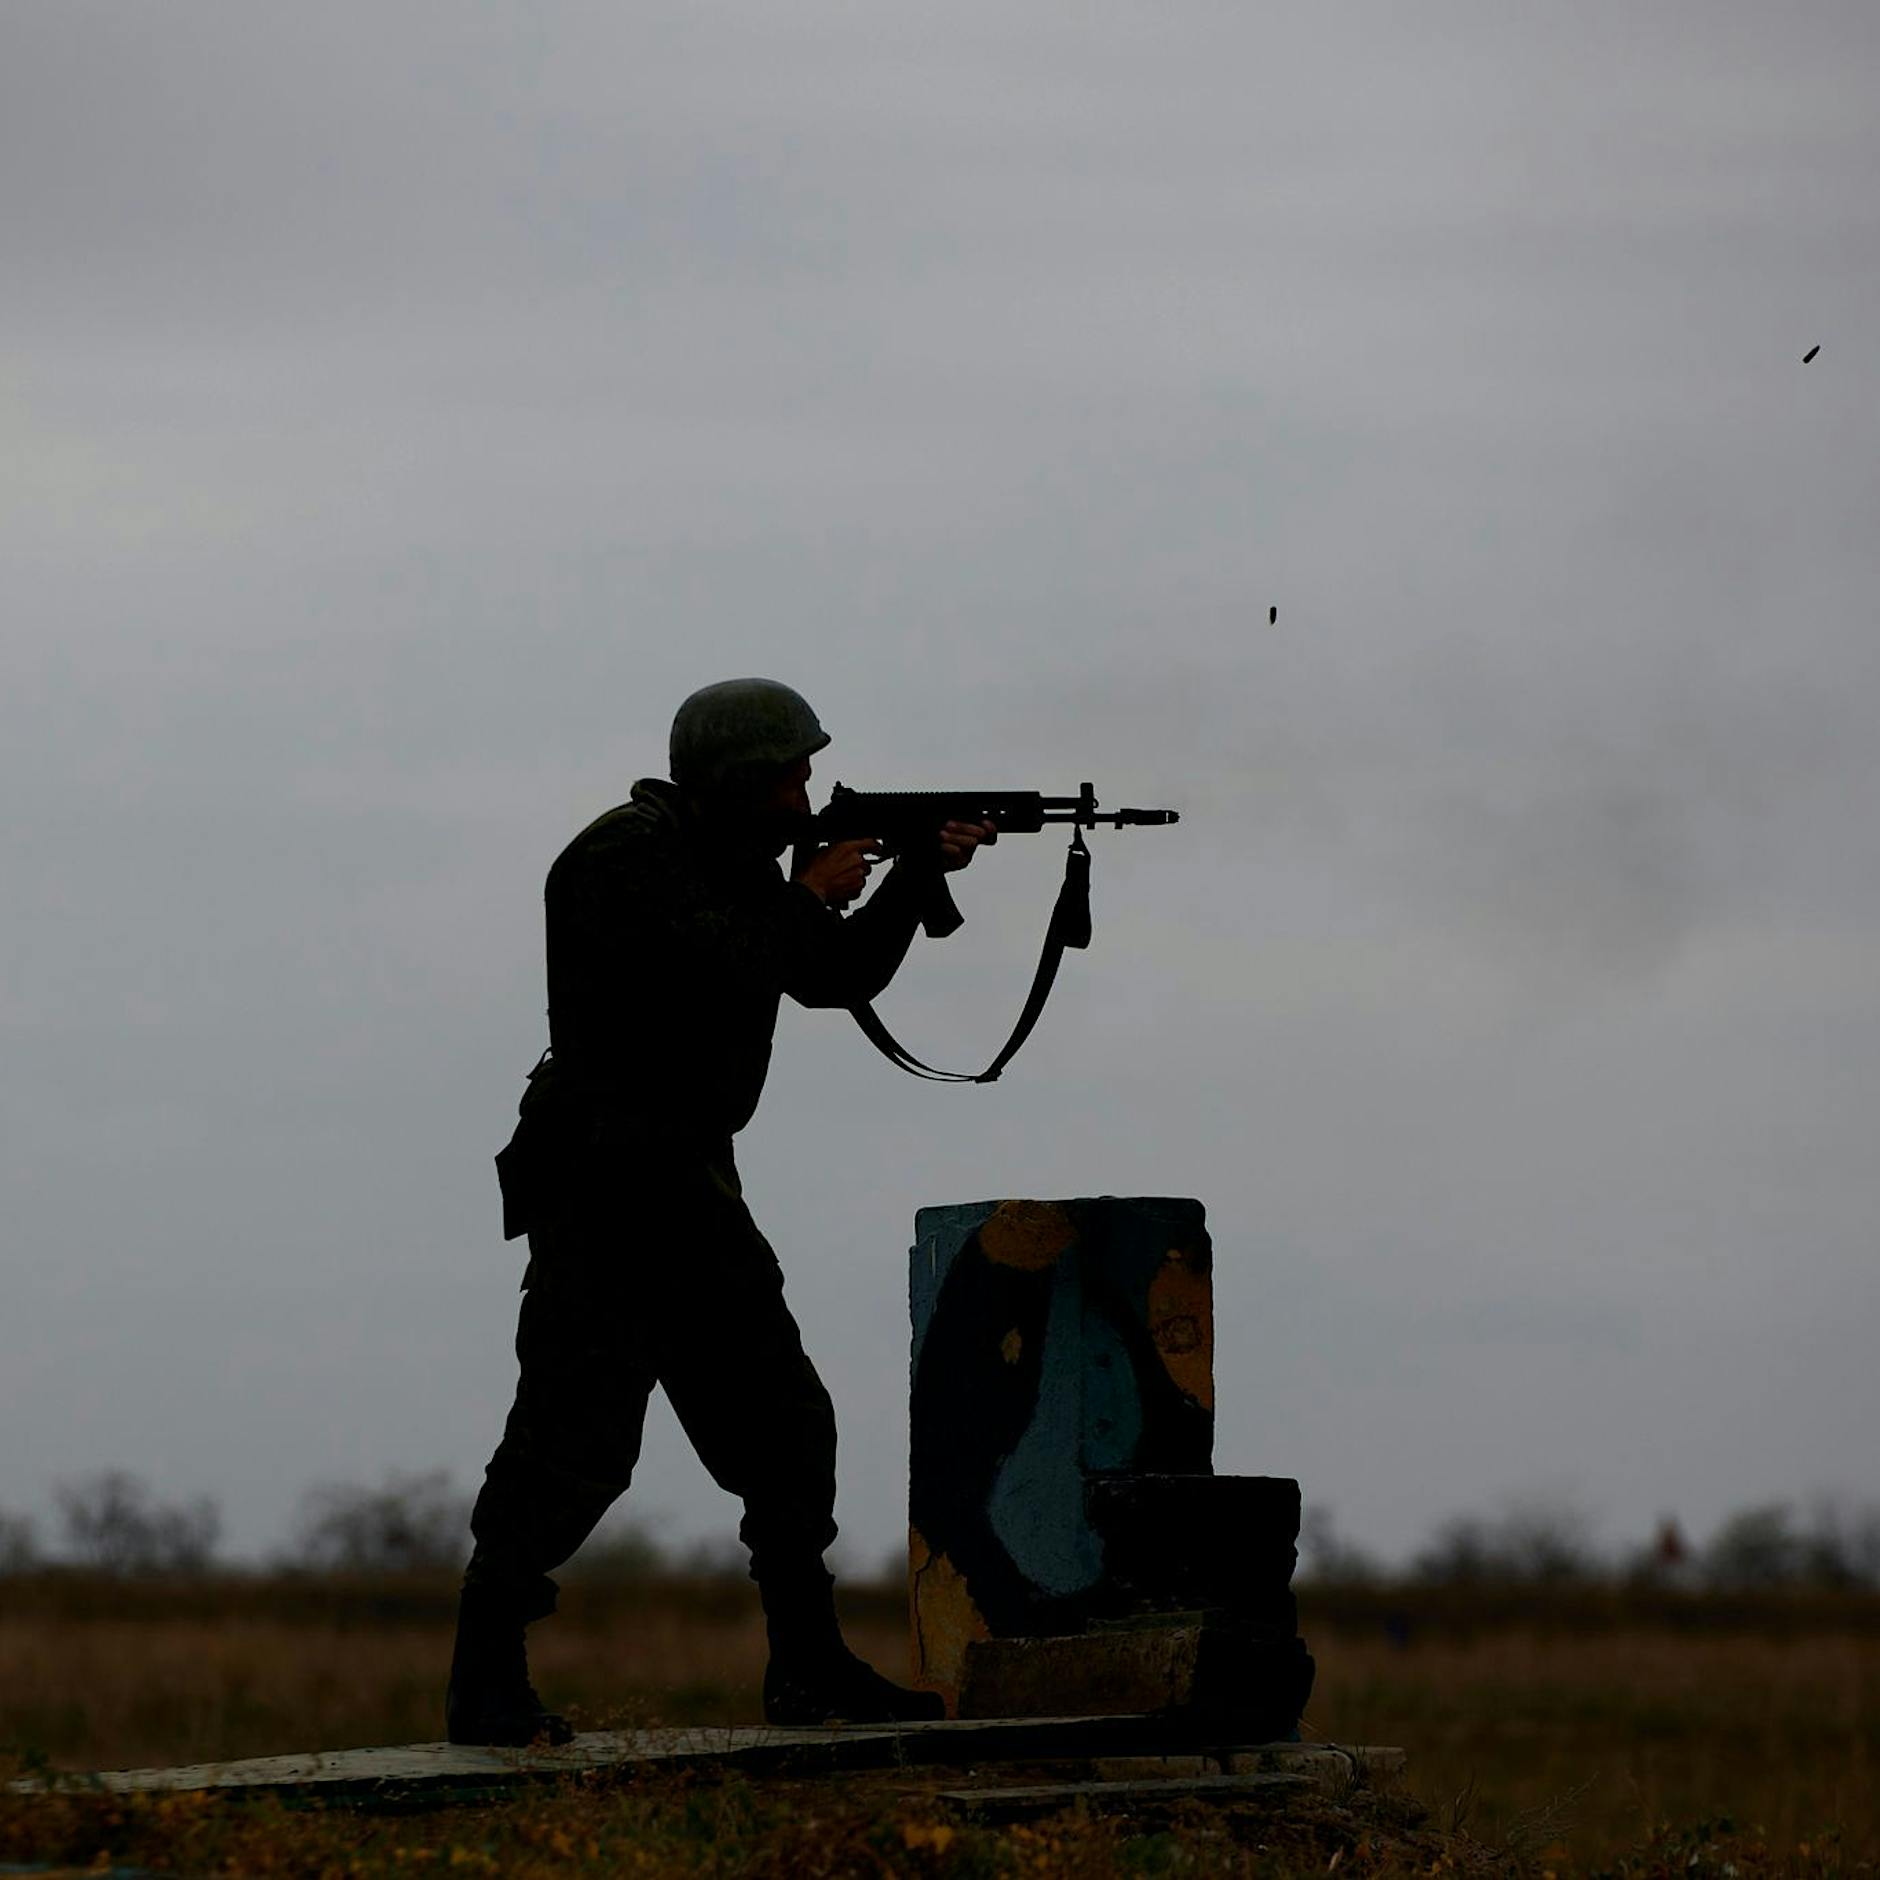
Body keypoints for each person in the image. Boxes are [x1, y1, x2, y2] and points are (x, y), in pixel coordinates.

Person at [445, 678, 996, 1746]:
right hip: (604, 1188)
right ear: (741, 779)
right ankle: (482, 1675)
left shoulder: (738, 863)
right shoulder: (621, 859)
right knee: (573, 1443)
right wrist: (808, 893)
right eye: (791, 774)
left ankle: (806, 1666)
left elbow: (827, 977)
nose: (805, 792)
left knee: (786, 1426)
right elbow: (718, 964)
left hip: (688, 1188)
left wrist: (910, 875)